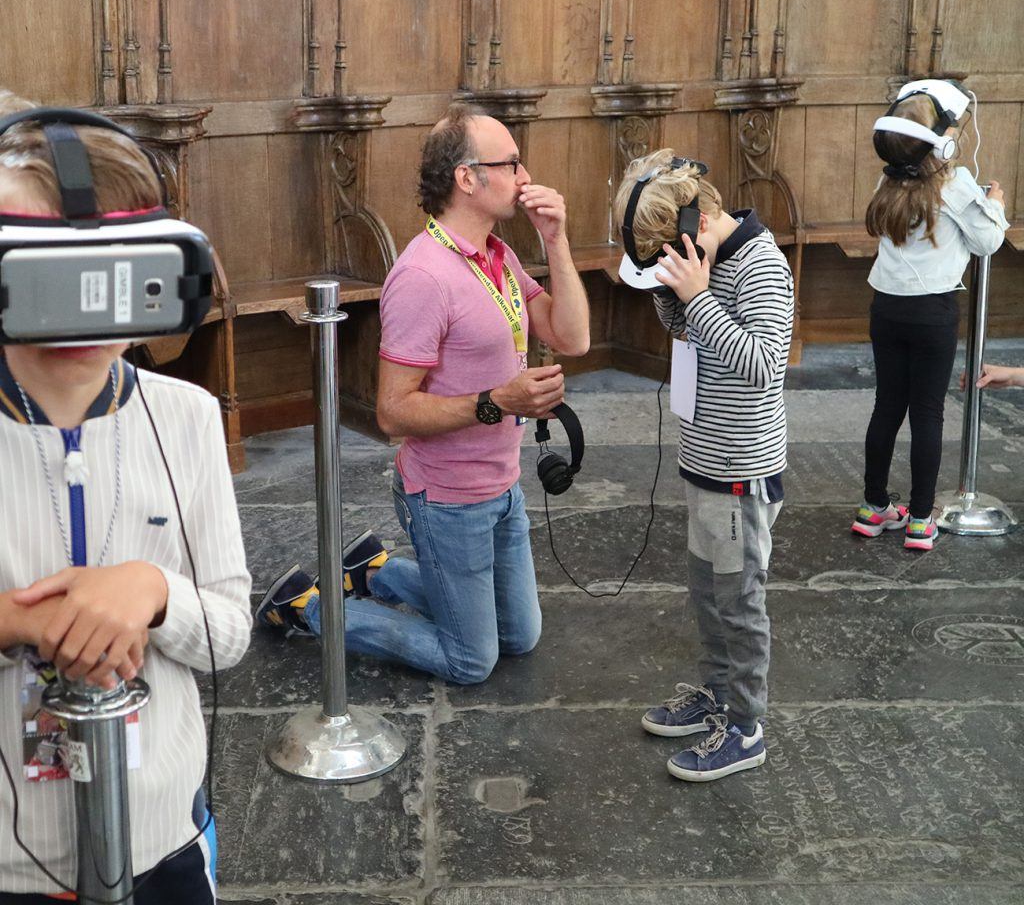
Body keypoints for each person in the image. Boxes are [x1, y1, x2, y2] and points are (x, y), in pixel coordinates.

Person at [0, 93, 252, 902]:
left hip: (160, 834)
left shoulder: (186, 416)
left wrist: (152, 591)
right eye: (40, 277)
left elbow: (228, 633)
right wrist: (18, 620)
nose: (78, 312)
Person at [259, 105, 590, 684]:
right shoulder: (422, 278)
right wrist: (499, 401)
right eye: (510, 162)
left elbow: (573, 336)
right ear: (468, 178)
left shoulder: (498, 255)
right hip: (446, 499)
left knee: (520, 636)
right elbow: (392, 413)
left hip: (502, 483)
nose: (524, 174)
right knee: (471, 660)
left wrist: (557, 240)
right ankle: (307, 605)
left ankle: (375, 568)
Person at [613, 150, 794, 782]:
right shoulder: (704, 262)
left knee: (739, 600)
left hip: (742, 469)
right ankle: (717, 697)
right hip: (704, 461)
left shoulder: (762, 266)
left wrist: (698, 296)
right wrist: (676, 295)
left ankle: (745, 728)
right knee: (708, 593)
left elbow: (763, 364)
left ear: (698, 219)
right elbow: (687, 334)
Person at [852, 79, 1008, 550]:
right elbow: (987, 243)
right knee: (928, 413)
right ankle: (920, 519)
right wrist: (995, 205)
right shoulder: (956, 184)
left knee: (886, 406)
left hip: (886, 309)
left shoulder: (887, 181)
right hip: (933, 314)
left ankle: (873, 508)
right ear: (945, 143)